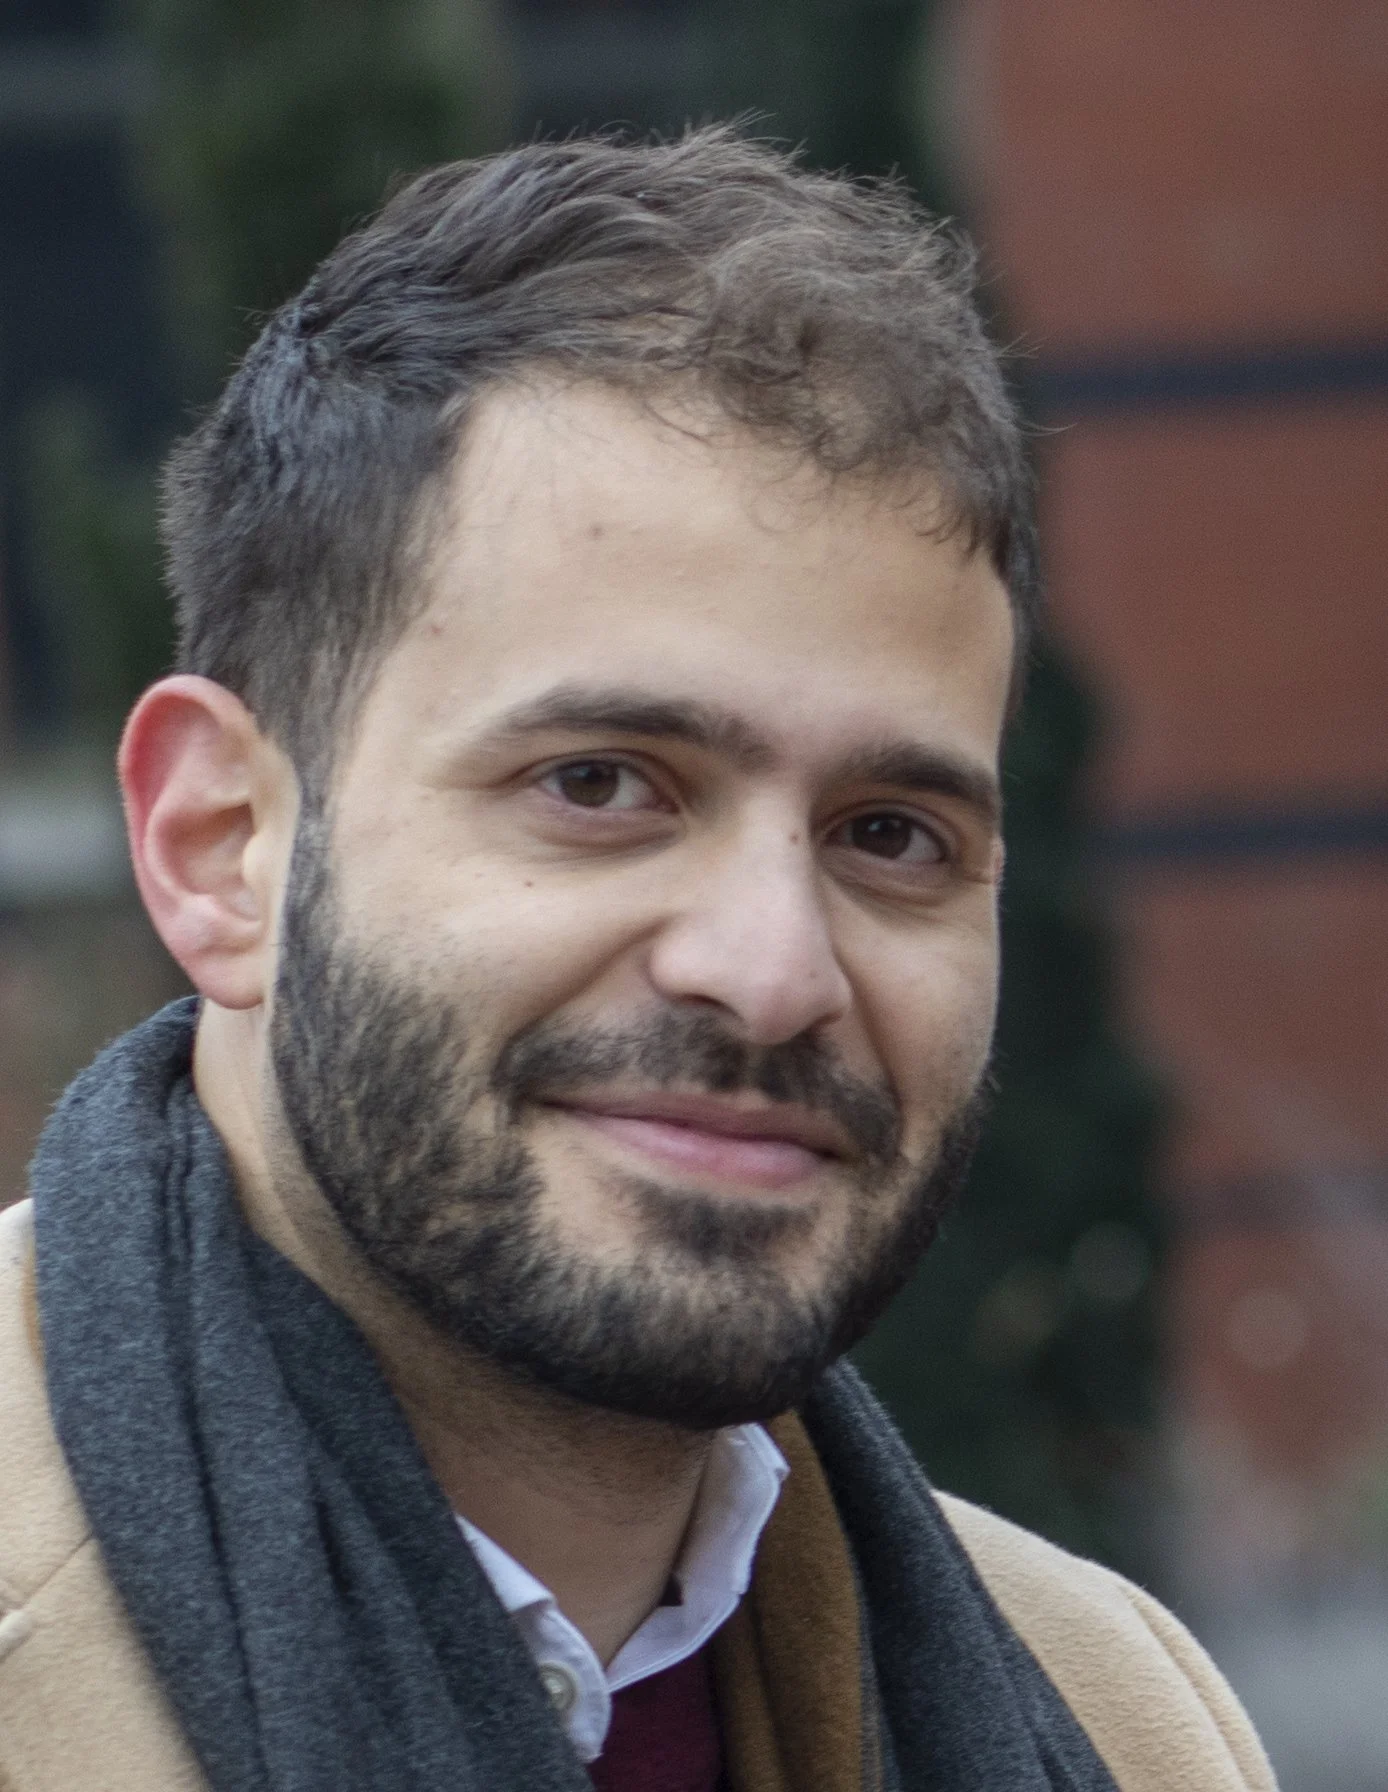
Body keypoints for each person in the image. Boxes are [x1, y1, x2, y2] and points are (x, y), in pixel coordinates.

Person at [0, 128, 1275, 1792]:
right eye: (601, 786)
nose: (773, 974)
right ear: (219, 846)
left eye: (891, 834)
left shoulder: (1124, 1725)